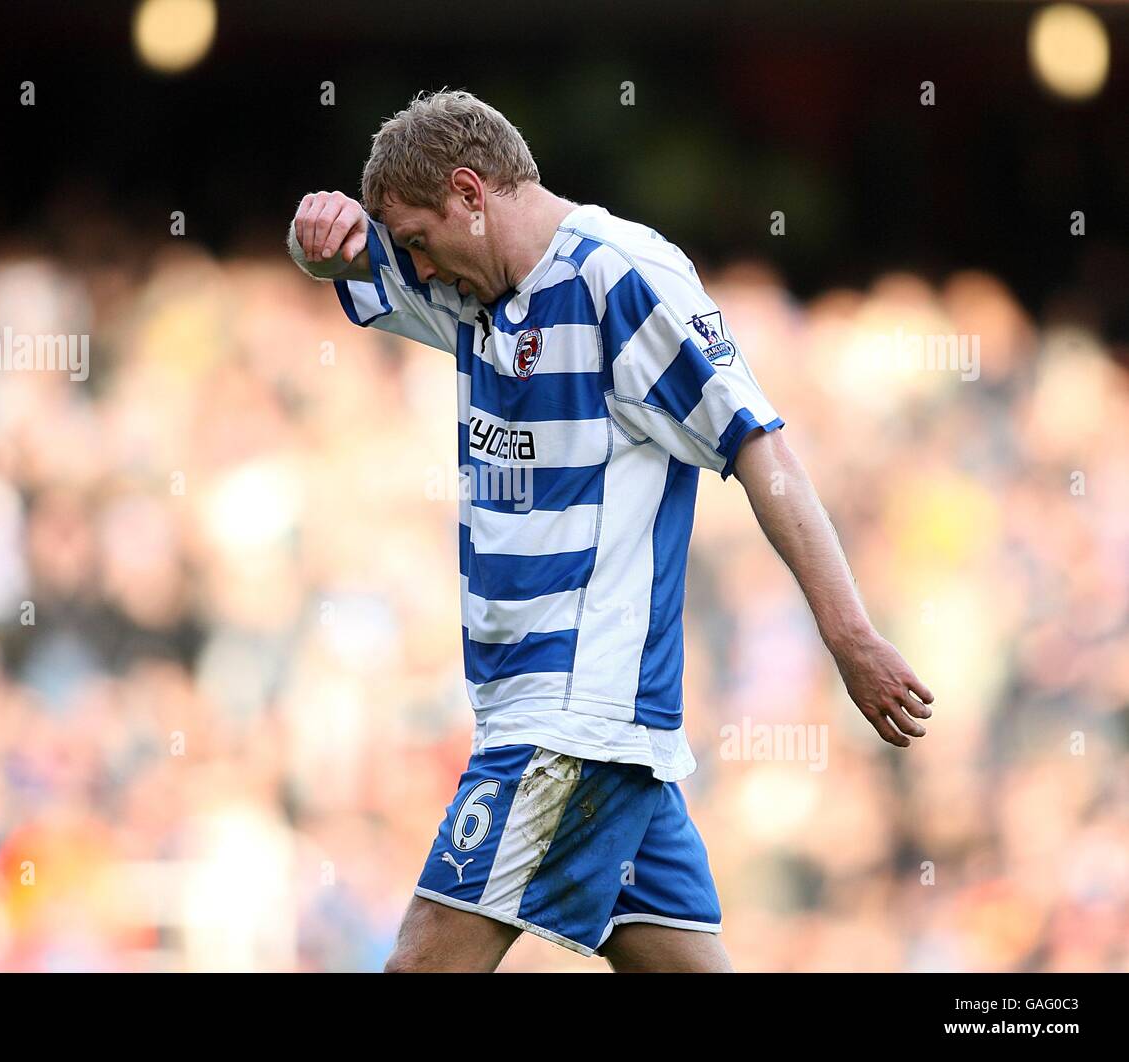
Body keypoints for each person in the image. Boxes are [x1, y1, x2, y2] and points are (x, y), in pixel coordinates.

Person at [287, 89, 933, 973]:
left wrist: (848, 633)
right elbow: (348, 262)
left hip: (571, 720)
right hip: (578, 726)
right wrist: (312, 234)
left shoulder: (621, 276)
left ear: (471, 195)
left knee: (421, 964)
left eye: (421, 245)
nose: (419, 272)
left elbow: (761, 449)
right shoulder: (471, 291)